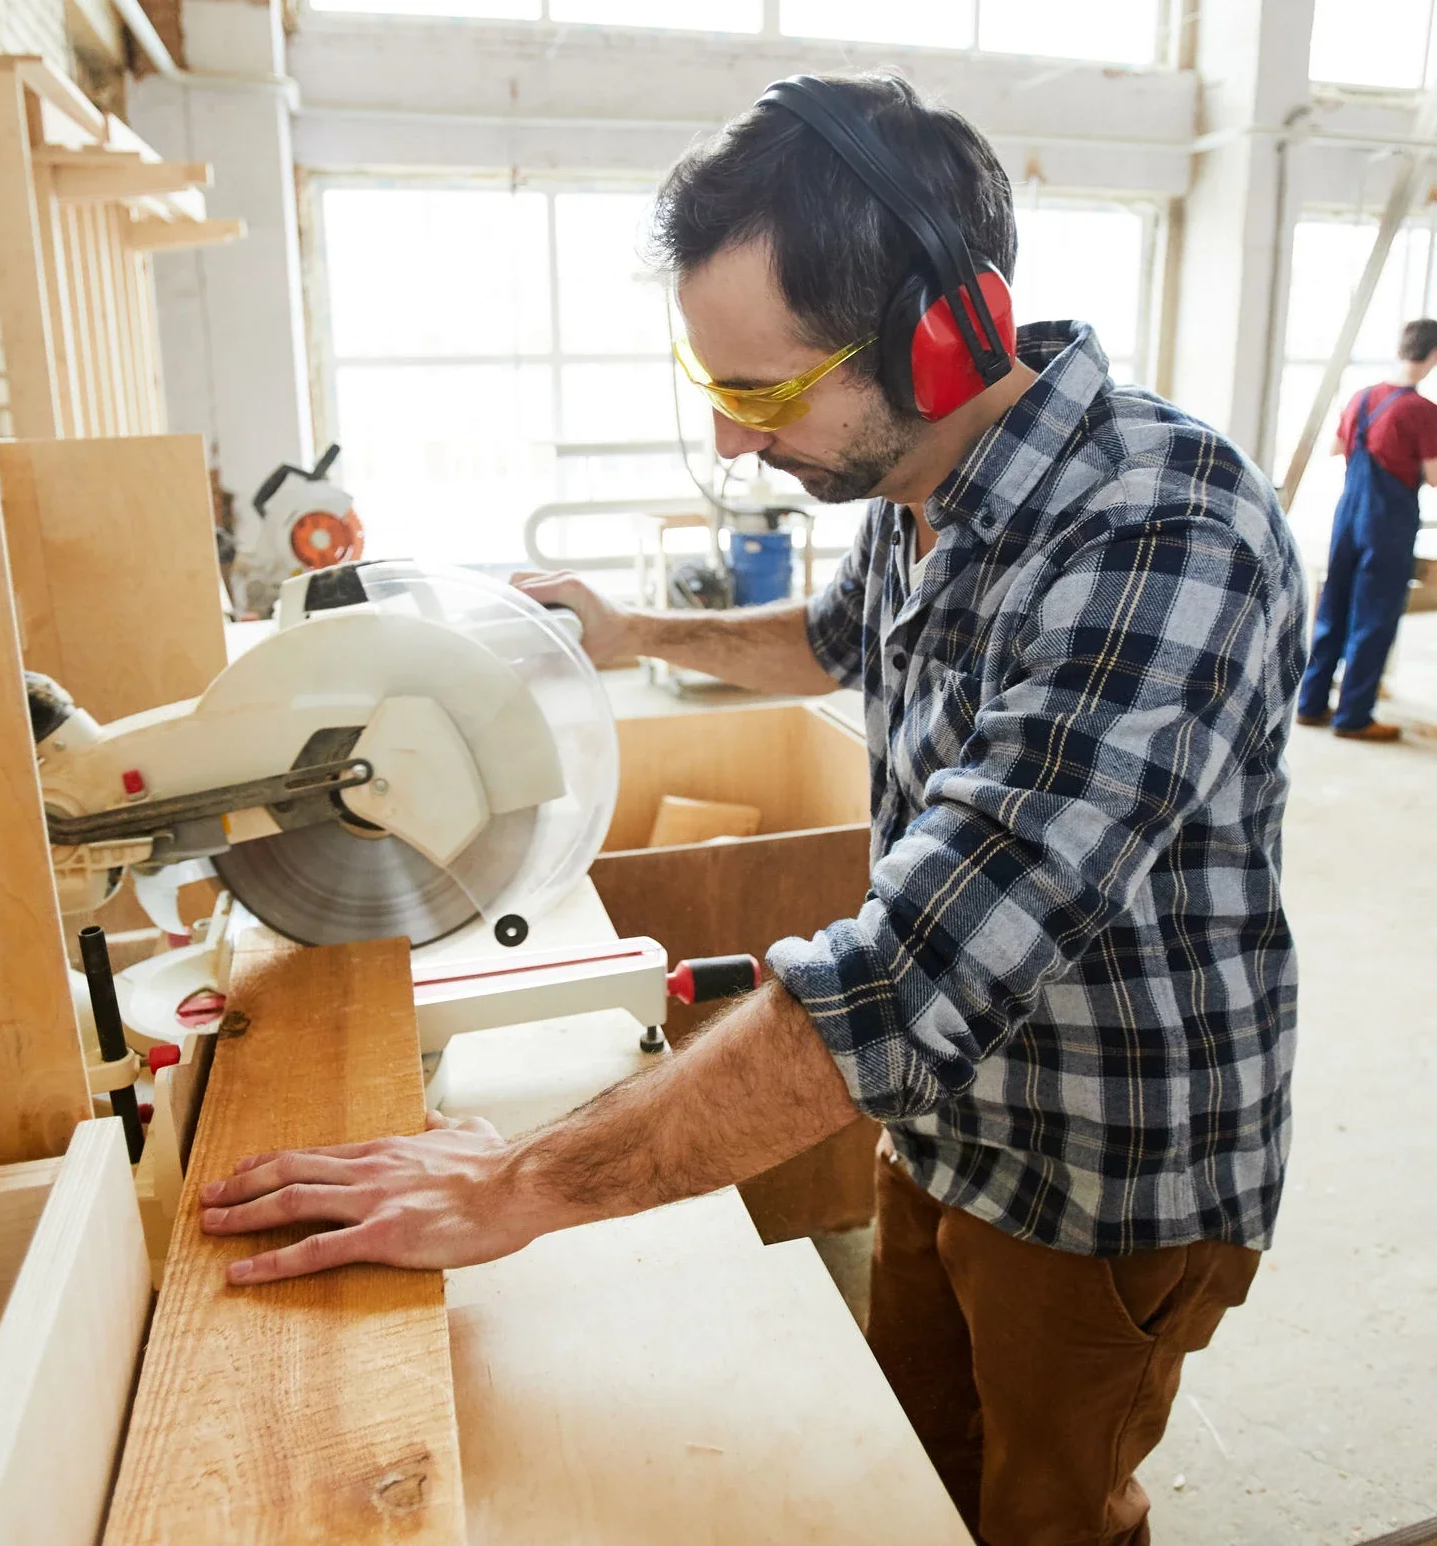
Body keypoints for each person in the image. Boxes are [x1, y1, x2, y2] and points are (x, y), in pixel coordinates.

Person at [200, 74, 1305, 1546]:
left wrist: (519, 1181)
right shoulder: (926, 485)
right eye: (712, 388)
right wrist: (629, 632)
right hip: (942, 1122)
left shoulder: (1162, 531)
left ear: (943, 333)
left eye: (766, 395)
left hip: (1106, 1163)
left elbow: (908, 982)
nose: (731, 442)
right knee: (919, 1459)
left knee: (1049, 1508)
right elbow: (835, 642)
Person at [1294, 318, 1437, 742]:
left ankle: (1311, 703)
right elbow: (1434, 476)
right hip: (1386, 524)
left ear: (1400, 349)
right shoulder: (1422, 411)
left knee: (1333, 608)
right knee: (1374, 616)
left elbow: (1338, 448)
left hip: (1348, 517)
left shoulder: (1362, 397)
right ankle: (1354, 716)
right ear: (1432, 358)